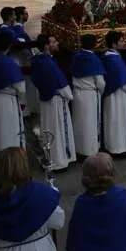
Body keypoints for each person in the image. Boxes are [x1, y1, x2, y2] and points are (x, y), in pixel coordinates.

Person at [30, 34, 75, 170]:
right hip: (56, 101)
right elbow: (60, 83)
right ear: (46, 46)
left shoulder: (37, 60)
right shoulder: (48, 63)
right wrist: (69, 95)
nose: (57, 43)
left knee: (49, 128)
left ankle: (51, 157)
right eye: (54, 42)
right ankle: (59, 161)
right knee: (58, 129)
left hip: (46, 100)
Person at [71, 34, 106, 158]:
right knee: (90, 124)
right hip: (90, 95)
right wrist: (101, 92)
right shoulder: (93, 59)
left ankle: (79, 149)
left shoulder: (76, 56)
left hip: (77, 93)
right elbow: (100, 82)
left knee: (79, 122)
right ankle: (90, 151)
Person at [101, 31, 126, 155]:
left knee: (115, 120)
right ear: (114, 44)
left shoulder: (110, 57)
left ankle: (116, 147)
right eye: (121, 41)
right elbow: (121, 77)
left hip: (114, 94)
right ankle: (118, 148)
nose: (123, 43)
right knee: (117, 120)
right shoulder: (113, 59)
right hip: (117, 94)